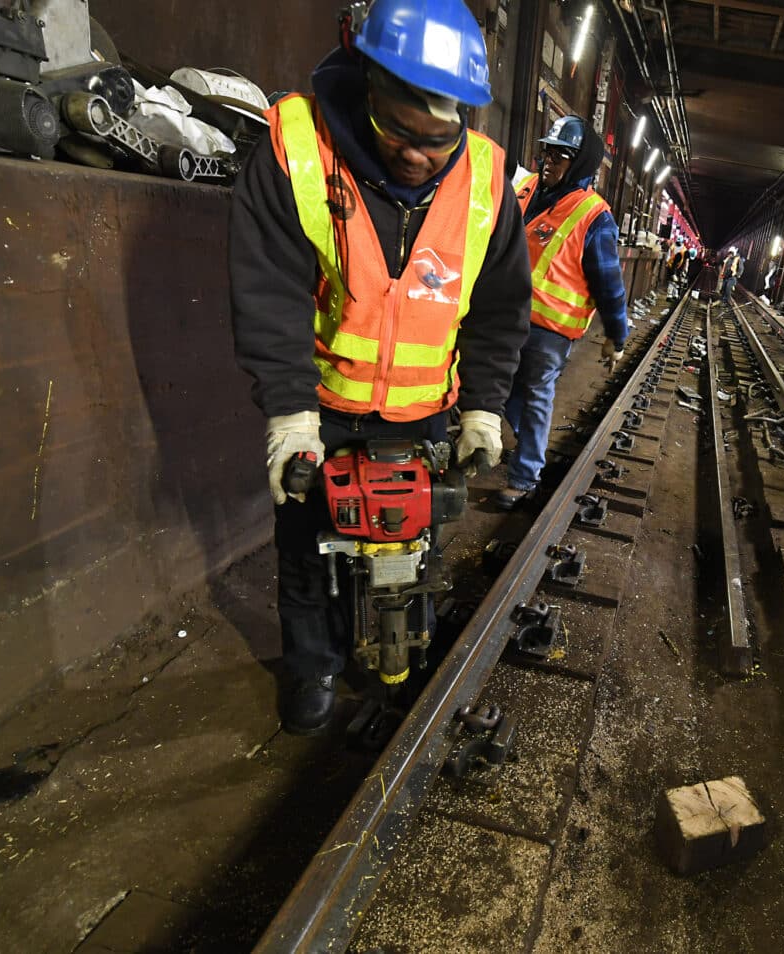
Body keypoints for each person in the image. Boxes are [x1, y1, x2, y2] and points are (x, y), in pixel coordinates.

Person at [229, 0, 531, 733]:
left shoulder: (489, 181)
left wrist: (485, 406)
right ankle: (314, 671)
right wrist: (290, 413)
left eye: (437, 139)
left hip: (427, 408)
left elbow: (498, 308)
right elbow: (266, 290)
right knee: (307, 552)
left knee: (413, 539)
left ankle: (404, 663)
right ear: (368, 83)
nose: (417, 154)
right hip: (324, 407)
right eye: (399, 131)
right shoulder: (296, 148)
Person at [496, 115, 629, 510]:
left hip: (549, 331)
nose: (549, 161)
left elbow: (609, 282)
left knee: (536, 395)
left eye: (562, 156)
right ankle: (526, 449)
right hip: (504, 318)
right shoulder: (525, 187)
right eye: (548, 152)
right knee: (498, 388)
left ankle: (525, 478)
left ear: (582, 162)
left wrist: (615, 336)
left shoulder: (594, 215)